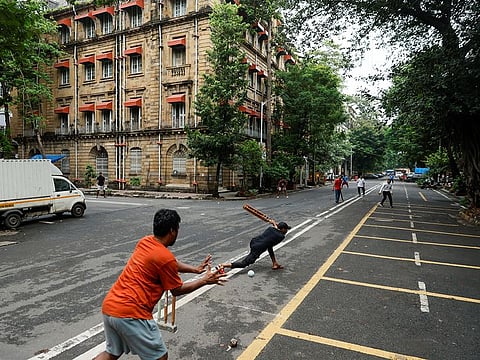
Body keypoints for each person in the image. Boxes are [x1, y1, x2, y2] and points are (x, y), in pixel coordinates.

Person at [94, 209, 227, 360]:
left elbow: (169, 263)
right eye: (177, 229)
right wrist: (205, 280)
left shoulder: (145, 241)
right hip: (132, 313)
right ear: (172, 231)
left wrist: (195, 270)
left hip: (111, 306)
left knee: (111, 353)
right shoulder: (165, 257)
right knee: (160, 357)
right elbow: (177, 290)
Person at [222, 221, 291, 271]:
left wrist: (273, 223)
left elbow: (270, 246)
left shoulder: (270, 228)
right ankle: (224, 266)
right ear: (282, 229)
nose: (286, 231)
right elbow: (277, 233)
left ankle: (274, 263)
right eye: (286, 229)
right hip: (258, 248)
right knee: (244, 263)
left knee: (269, 246)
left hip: (254, 241)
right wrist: (274, 223)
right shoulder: (281, 236)